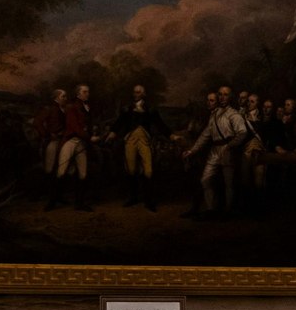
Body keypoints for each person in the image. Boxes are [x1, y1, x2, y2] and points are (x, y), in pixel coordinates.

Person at [182, 90, 247, 218]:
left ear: (230, 97)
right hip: (214, 151)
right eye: (220, 94)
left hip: (227, 150)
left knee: (229, 183)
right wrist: (192, 150)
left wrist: (229, 146)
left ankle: (228, 211)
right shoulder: (214, 115)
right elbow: (205, 135)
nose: (222, 97)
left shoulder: (234, 114)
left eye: (225, 94)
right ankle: (210, 210)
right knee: (205, 180)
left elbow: (242, 133)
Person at [106, 85, 171, 210]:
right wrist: (112, 133)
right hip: (130, 140)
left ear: (144, 94)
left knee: (148, 171)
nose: (137, 94)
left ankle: (149, 200)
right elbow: (119, 123)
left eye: (139, 92)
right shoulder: (127, 109)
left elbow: (160, 124)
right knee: (131, 170)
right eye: (135, 92)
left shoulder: (150, 109)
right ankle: (133, 197)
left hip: (144, 141)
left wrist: (171, 135)